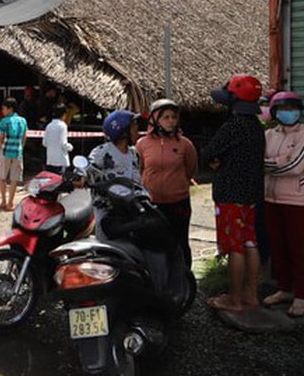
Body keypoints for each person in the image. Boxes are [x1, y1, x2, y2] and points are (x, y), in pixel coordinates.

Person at [201, 74, 265, 313]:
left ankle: (234, 299)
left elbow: (208, 153)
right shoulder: (256, 128)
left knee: (234, 247)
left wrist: (216, 161)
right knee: (250, 242)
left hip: (230, 195)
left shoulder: (233, 127)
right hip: (251, 195)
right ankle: (251, 294)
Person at [261, 91, 304, 318]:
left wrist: (269, 164)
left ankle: (301, 296)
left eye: (292, 109)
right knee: (278, 246)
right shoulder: (269, 135)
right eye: (283, 109)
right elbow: (260, 161)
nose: (288, 113)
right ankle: (284, 289)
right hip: (271, 198)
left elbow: (294, 167)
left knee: (299, 249)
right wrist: (280, 162)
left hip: (298, 200)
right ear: (275, 112)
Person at [135, 98, 199, 269]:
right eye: (166, 117)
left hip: (178, 203)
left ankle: (184, 281)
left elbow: (191, 168)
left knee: (180, 242)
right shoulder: (142, 144)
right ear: (155, 119)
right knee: (154, 243)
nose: (171, 121)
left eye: (174, 117)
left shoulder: (185, 144)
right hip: (152, 203)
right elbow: (138, 170)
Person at [88, 109, 142, 241]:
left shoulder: (134, 154)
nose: (138, 131)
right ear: (123, 132)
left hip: (130, 209)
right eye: (134, 127)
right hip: (108, 213)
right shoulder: (101, 152)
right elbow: (86, 173)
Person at [0, 98, 27, 211]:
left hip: (5, 151)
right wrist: (21, 148)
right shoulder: (23, 121)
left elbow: (1, 139)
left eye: (4, 108)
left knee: (2, 177)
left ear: (10, 108)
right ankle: (10, 203)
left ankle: (3, 201)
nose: (2, 110)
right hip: (18, 152)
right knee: (14, 179)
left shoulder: (4, 121)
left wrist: (0, 153)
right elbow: (24, 137)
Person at [43, 104, 73, 173]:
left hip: (50, 159)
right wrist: (70, 147)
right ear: (63, 114)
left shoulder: (49, 126)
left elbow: (44, 143)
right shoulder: (63, 126)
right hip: (60, 159)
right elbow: (63, 144)